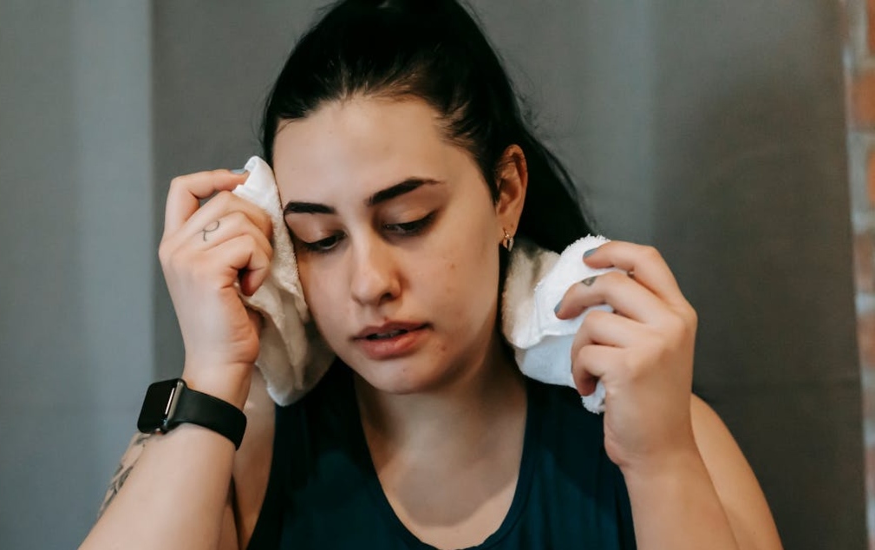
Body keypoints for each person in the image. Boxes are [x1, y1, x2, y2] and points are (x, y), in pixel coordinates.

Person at [80, 1, 783, 548]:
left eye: (408, 221)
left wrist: (660, 463)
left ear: (505, 193)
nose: (368, 282)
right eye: (319, 238)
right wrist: (212, 372)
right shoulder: (242, 444)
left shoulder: (656, 428)